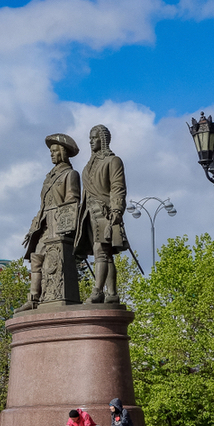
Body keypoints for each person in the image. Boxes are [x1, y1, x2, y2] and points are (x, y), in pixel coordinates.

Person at [17, 133, 81, 311]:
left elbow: (73, 201)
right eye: (51, 151)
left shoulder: (70, 175)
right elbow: (43, 204)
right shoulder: (49, 177)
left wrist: (66, 228)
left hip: (58, 224)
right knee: (36, 258)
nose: (51, 154)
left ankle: (51, 296)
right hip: (44, 224)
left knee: (54, 261)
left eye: (54, 151)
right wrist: (33, 227)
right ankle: (33, 298)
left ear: (62, 152)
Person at [75, 124, 129, 304]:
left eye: (94, 138)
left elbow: (117, 187)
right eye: (89, 139)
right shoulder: (87, 166)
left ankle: (98, 291)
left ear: (103, 140)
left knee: (101, 250)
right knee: (104, 254)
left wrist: (117, 209)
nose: (91, 142)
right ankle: (112, 293)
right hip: (88, 214)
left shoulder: (113, 161)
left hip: (104, 212)